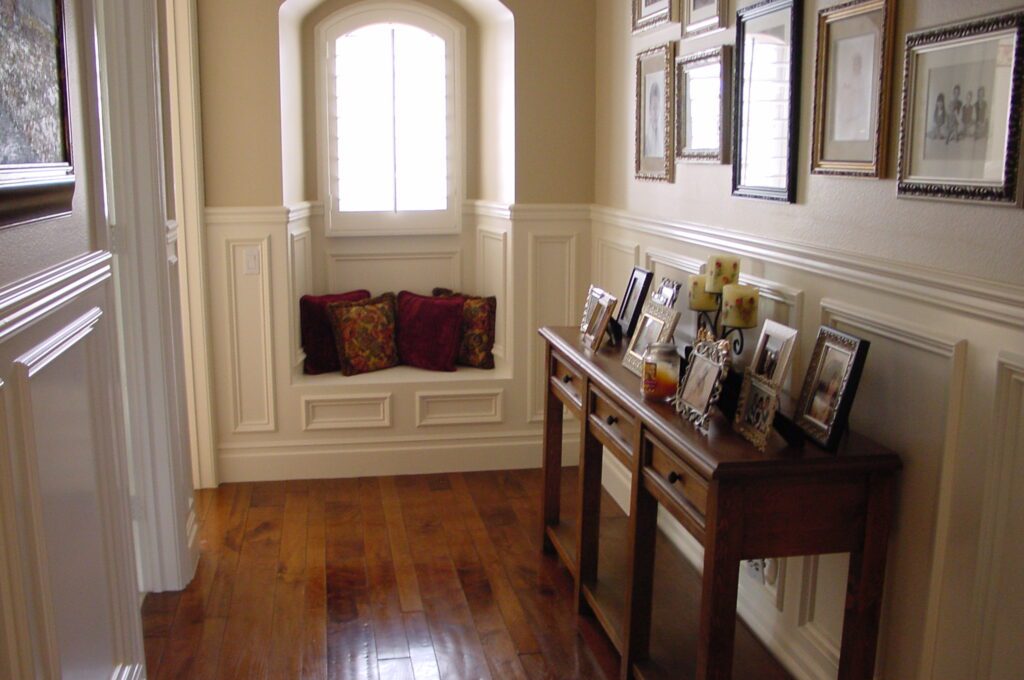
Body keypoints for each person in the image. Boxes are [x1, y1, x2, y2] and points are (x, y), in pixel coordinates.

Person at [644, 79, 664, 158]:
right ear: (649, 110)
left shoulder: (662, 137)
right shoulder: (646, 139)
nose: (656, 113)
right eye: (654, 108)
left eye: (658, 108)